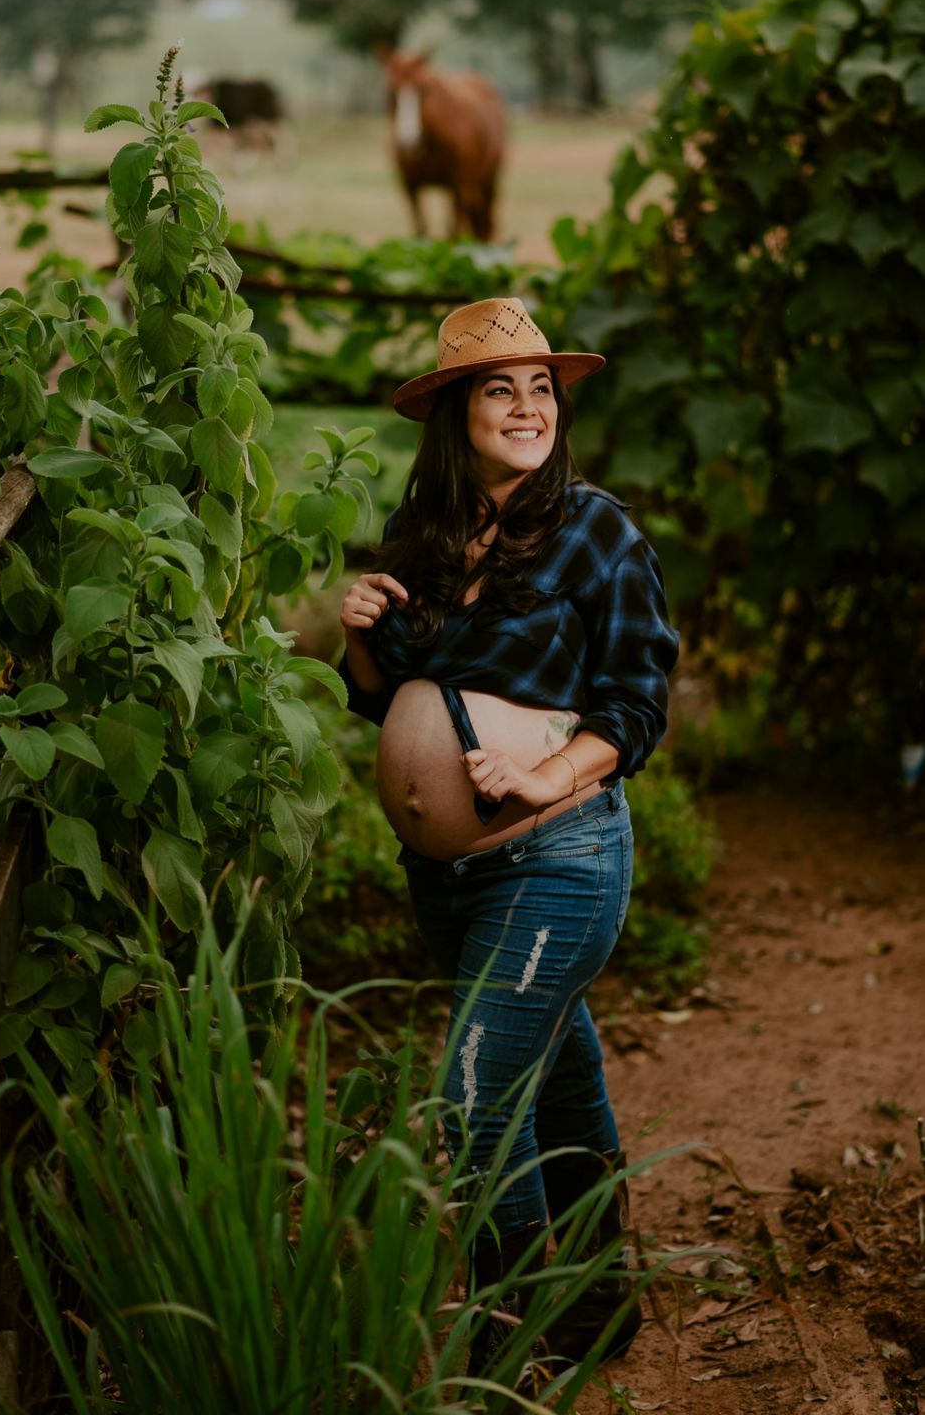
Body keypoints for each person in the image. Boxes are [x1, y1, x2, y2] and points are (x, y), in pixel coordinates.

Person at [337, 296, 679, 1371]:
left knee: (476, 1092)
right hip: (450, 880)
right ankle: (598, 1297)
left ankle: (513, 1329)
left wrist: (543, 771)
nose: (528, 407)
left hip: (560, 856)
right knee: (557, 1067)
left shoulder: (596, 529)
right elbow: (388, 698)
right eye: (501, 388)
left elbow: (636, 702)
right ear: (457, 412)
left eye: (542, 389)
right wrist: (353, 639)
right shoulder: (425, 534)